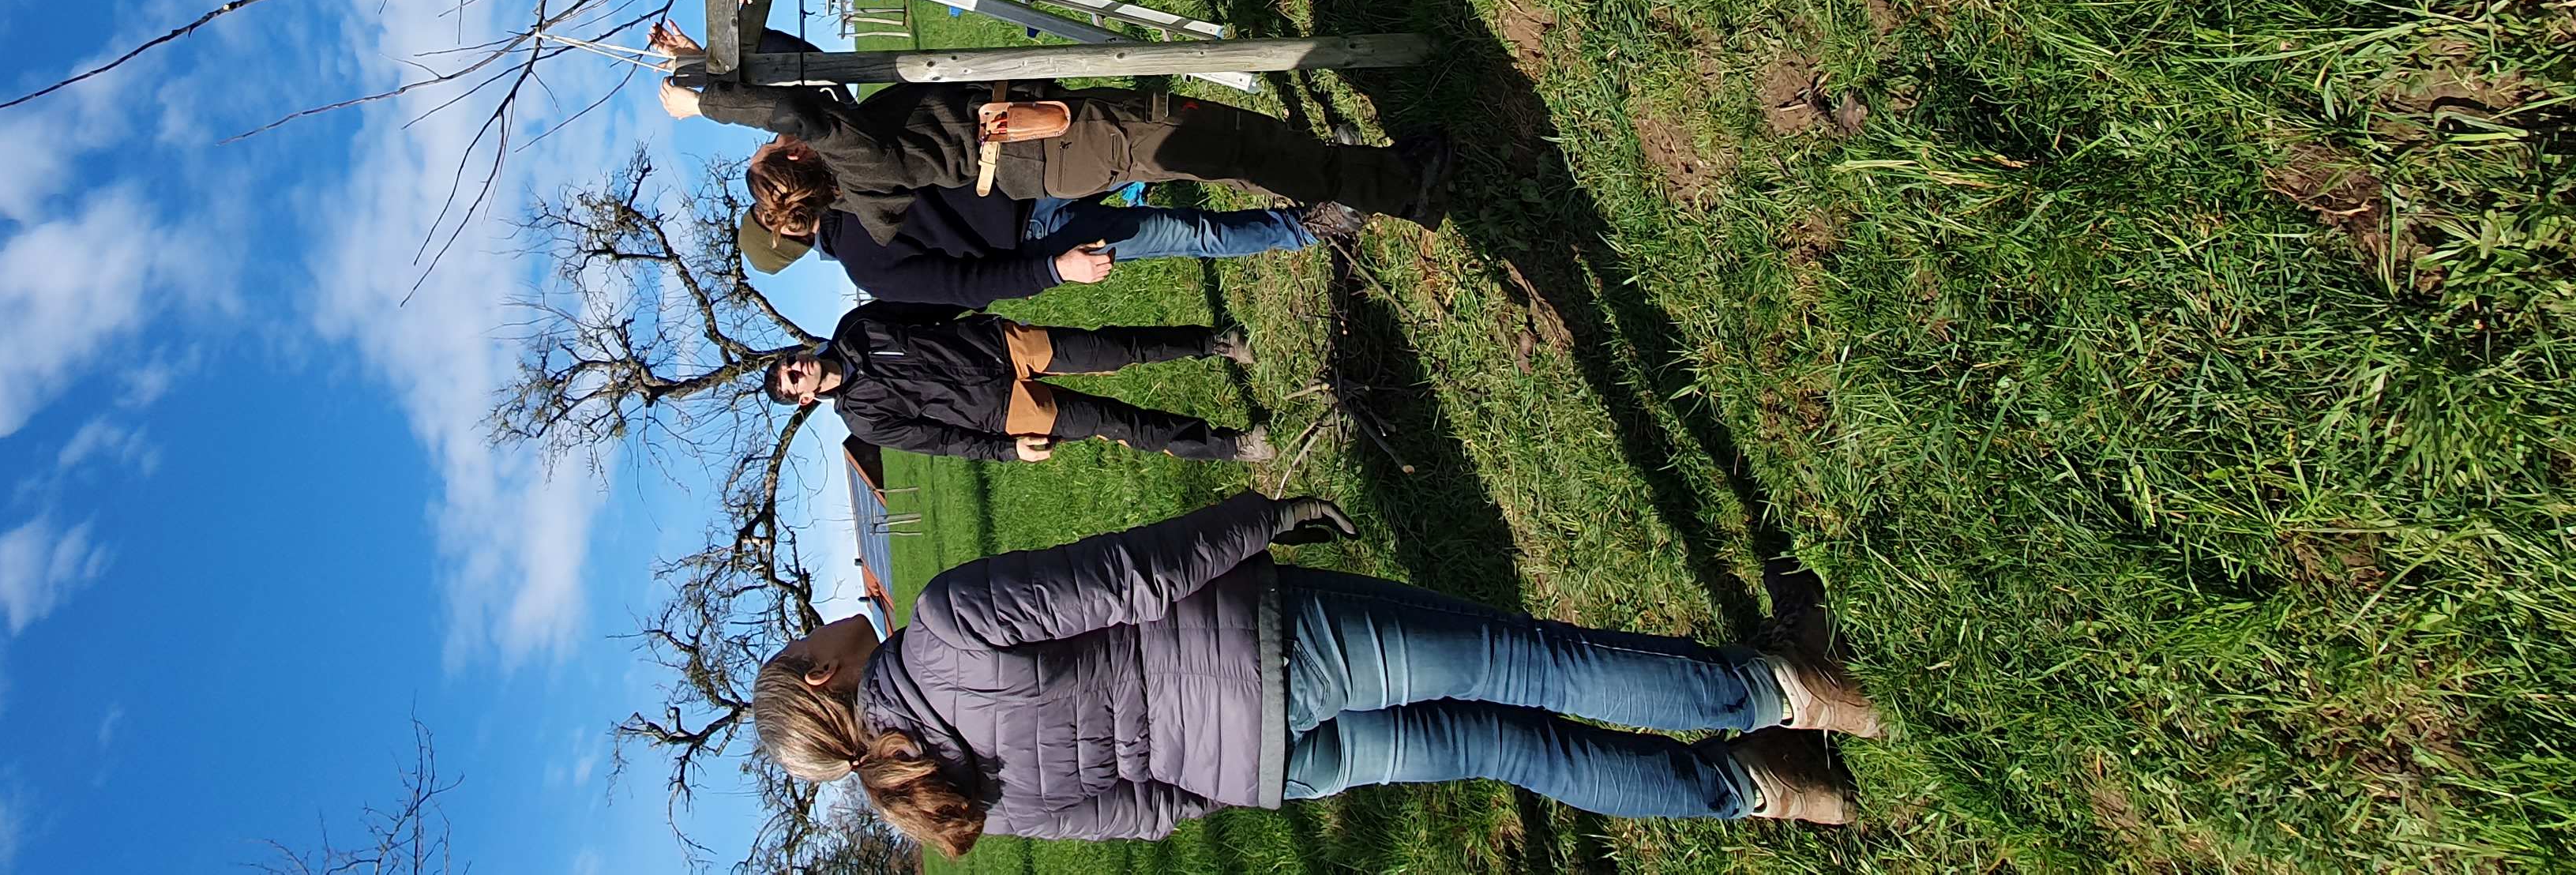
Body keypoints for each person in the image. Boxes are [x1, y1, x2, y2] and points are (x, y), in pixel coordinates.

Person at [749, 492, 1883, 854]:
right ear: (821, 680)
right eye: (806, 648)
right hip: (1274, 649)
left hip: (1270, 766)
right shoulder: (940, 626)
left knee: (1505, 743)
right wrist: (1262, 516)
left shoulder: (935, 805)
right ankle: (1792, 696)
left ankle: (1771, 791)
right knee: (1527, 666)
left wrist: (1236, 772)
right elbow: (1128, 579)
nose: (822, 629)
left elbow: (1143, 818)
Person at [646, 22, 1448, 242]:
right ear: (790, 156)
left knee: (1234, 160)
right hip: (1061, 145)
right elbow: (797, 110)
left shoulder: (852, 161)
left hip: (1048, 148)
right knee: (1232, 143)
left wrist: (702, 67)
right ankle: (1408, 188)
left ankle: (1383, 181)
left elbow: (803, 75)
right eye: (765, 144)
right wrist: (706, 105)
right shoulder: (859, 170)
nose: (769, 136)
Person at [734, 174, 1364, 306]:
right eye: (772, 219)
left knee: (1168, 149)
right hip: (1041, 233)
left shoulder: (844, 172)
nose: (776, 209)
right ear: (789, 237)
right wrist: (1056, 270)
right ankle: (1308, 225)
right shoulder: (870, 270)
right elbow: (969, 286)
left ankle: (1307, 158)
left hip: (1026, 165)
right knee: (1182, 231)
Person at [773, 299, 1271, 464]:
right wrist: (1008, 451)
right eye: (793, 381)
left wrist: (987, 288)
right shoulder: (864, 420)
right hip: (1003, 411)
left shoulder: (856, 328)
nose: (798, 369)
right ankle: (1236, 446)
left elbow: (929, 305)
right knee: (1119, 423)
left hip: (1002, 345)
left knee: (1116, 348)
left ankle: (1217, 343)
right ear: (807, 398)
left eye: (791, 363)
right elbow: (941, 442)